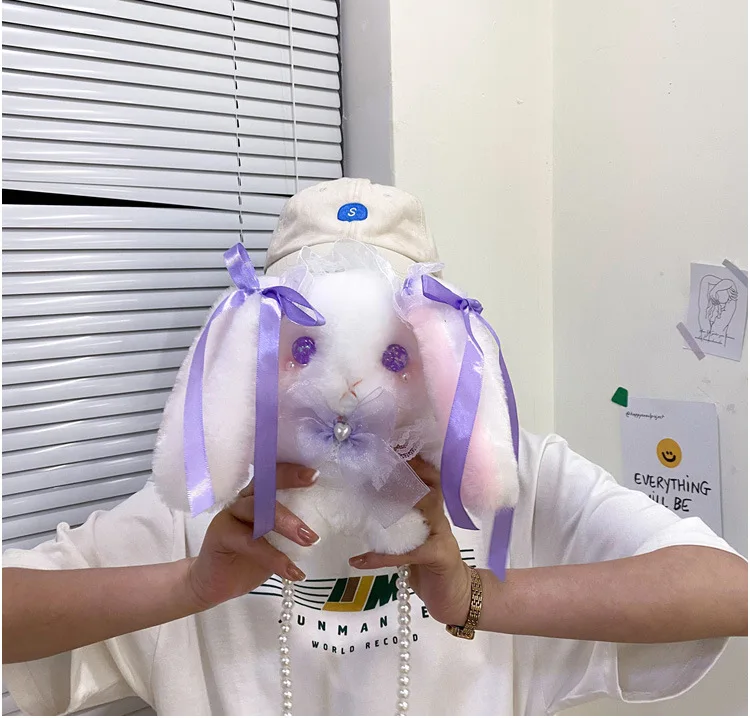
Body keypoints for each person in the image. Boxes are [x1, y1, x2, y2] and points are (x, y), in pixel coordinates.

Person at [3, 179, 747, 717]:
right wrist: (189, 588)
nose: (349, 384)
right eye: (307, 347)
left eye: (391, 350)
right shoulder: (213, 507)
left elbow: (726, 590)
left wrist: (474, 595)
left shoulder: (510, 483)